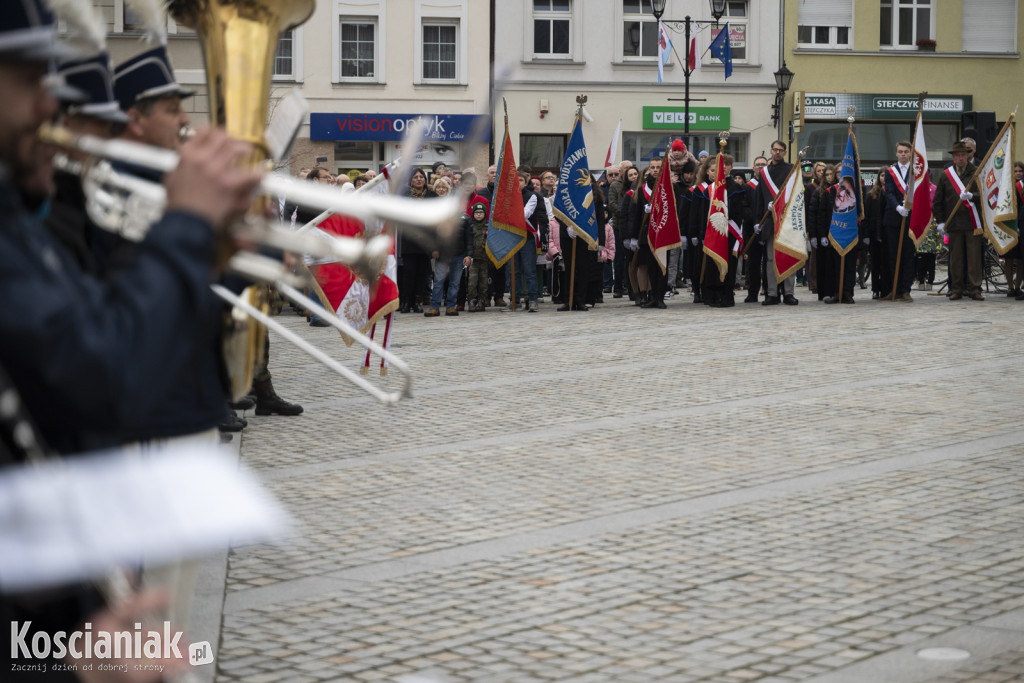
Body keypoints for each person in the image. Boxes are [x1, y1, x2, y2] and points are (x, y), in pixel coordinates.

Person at [933, 140, 985, 300]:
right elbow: (938, 201)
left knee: (974, 258)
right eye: (958, 155)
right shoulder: (945, 175)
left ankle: (974, 288)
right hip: (953, 223)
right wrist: (941, 221)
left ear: (968, 156)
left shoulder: (977, 172)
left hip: (972, 223)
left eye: (963, 155)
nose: (961, 158)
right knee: (955, 259)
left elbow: (985, 197)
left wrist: (972, 196)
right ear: (953, 157)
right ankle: (956, 288)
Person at [754, 140, 798, 305]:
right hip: (770, 221)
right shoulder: (764, 172)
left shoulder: (792, 170)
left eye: (780, 150)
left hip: (787, 220)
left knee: (788, 255)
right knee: (771, 259)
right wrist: (758, 220)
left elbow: (796, 195)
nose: (777, 152)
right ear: (771, 151)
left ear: (785, 153)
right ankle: (772, 293)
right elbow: (759, 196)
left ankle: (788, 293)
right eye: (775, 149)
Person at [627, 156, 668, 309]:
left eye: (658, 167)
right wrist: (633, 236)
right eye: (653, 167)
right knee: (650, 266)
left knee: (662, 266)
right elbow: (636, 215)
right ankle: (651, 296)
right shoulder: (642, 189)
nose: (655, 170)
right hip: (646, 235)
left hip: (663, 233)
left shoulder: (670, 187)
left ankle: (660, 297)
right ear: (649, 169)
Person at [882, 140, 920, 301]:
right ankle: (894, 289)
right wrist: (898, 207)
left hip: (911, 219)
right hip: (893, 218)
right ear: (896, 153)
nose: (903, 154)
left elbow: (920, 192)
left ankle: (906, 290)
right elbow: (889, 192)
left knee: (907, 255)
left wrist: (910, 206)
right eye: (900, 151)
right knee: (892, 255)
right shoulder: (890, 171)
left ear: (910, 153)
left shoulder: (916, 170)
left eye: (906, 151)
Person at [397, 168, 435, 313]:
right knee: (408, 272)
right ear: (410, 180)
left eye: (421, 177)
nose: (419, 179)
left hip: (425, 241)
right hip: (408, 239)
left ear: (425, 180)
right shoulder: (404, 196)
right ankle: (407, 301)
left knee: (422, 272)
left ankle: (418, 301)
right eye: (415, 177)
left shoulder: (432, 196)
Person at [425, 203, 472, 317]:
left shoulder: (466, 218)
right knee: (438, 281)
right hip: (442, 255)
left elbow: (469, 239)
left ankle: (451, 306)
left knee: (455, 283)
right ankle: (434, 307)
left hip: (459, 255)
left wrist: (469, 255)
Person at [742, 155, 768, 303]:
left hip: (767, 229)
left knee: (768, 261)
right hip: (752, 230)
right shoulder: (747, 187)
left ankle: (769, 290)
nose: (760, 167)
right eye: (757, 164)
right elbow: (744, 207)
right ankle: (752, 292)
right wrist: (755, 221)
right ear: (753, 168)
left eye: (763, 164)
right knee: (753, 263)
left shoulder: (770, 185)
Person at [465, 202, 489, 311]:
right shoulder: (470, 226)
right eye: (477, 212)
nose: (479, 214)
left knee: (483, 282)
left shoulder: (488, 227)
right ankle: (471, 300)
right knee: (472, 281)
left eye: (481, 212)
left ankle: (481, 300)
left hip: (485, 259)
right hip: (473, 259)